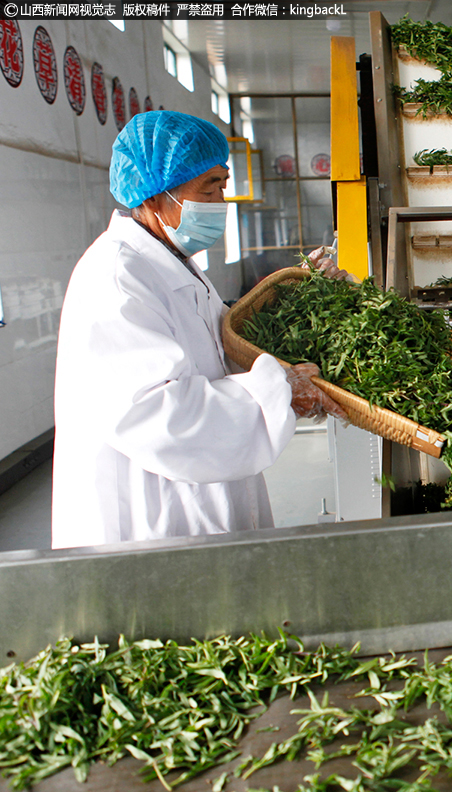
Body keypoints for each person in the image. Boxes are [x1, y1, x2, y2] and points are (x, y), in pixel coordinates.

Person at [52, 111, 346, 549]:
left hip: (198, 497)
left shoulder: (171, 260)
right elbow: (160, 416)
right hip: (149, 522)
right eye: (208, 187)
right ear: (155, 195)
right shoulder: (116, 278)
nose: (219, 203)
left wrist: (299, 294)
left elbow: (221, 340)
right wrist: (279, 390)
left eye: (223, 186)